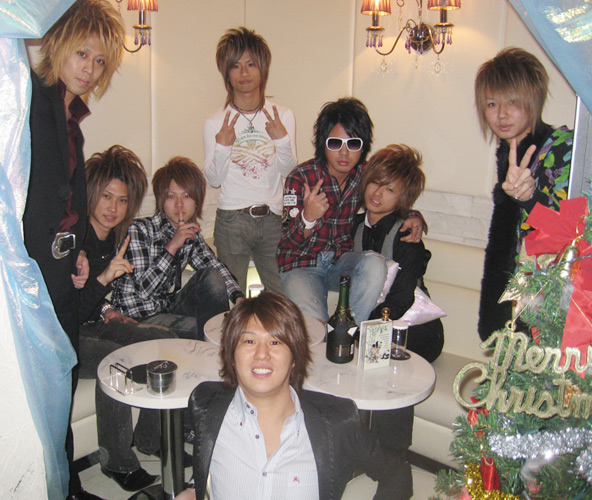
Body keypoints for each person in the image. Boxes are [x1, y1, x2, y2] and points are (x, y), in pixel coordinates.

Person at [22, 2, 124, 499]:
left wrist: (80, 246)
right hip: (32, 272)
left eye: (100, 61)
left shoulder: (71, 119)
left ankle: (67, 485)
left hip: (62, 267)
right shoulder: (29, 101)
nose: (90, 68)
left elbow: (68, 196)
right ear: (58, 44)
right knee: (41, 392)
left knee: (61, 382)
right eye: (82, 53)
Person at [182, 292, 410, 500]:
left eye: (275, 342)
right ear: (231, 354)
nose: (262, 354)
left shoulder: (337, 423)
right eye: (249, 341)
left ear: (294, 357)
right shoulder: (206, 405)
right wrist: (194, 490)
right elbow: (207, 457)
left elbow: (397, 474)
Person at [75, 145, 179, 492]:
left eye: (122, 200)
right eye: (106, 196)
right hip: (64, 335)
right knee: (114, 361)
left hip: (92, 322)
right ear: (91, 193)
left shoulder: (113, 238)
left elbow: (90, 301)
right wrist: (104, 279)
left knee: (165, 341)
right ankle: (116, 461)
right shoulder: (74, 241)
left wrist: (106, 309)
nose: (113, 208)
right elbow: (68, 309)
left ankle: (150, 438)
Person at [475, 47, 573, 340]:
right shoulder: (508, 153)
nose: (501, 114)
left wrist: (530, 199)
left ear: (533, 100)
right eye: (492, 104)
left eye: (513, 102)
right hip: (516, 300)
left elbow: (572, 232)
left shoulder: (561, 148)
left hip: (549, 304)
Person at [204, 27, 297, 294]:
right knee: (233, 298)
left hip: (273, 218)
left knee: (281, 296)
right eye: (236, 66)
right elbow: (213, 179)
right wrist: (223, 145)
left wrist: (281, 140)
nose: (244, 73)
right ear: (226, 73)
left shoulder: (282, 115)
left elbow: (290, 171)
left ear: (262, 69)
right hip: (232, 219)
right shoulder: (215, 121)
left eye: (251, 64)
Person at [277, 97, 386, 325]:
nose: (344, 153)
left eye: (353, 144)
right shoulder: (301, 177)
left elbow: (393, 193)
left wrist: (412, 216)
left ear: (363, 146)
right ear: (323, 144)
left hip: (340, 263)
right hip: (301, 265)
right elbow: (287, 244)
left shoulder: (365, 175)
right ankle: (328, 336)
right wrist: (308, 218)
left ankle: (347, 331)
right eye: (335, 143)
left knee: (375, 264)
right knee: (315, 331)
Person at [111, 157, 244, 339]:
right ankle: (218, 344)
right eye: (171, 196)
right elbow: (144, 291)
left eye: (187, 196)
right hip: (137, 318)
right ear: (161, 200)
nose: (179, 205)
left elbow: (215, 267)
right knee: (210, 330)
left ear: (197, 201)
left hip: (167, 308)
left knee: (211, 275)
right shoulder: (139, 230)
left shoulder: (190, 234)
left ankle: (218, 339)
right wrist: (173, 246)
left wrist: (238, 297)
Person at [352, 144, 444, 363]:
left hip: (413, 328)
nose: (378, 193)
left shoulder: (407, 237)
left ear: (403, 198)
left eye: (390, 190)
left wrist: (359, 329)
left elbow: (401, 299)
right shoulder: (354, 226)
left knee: (361, 348)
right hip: (370, 322)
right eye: (375, 182)